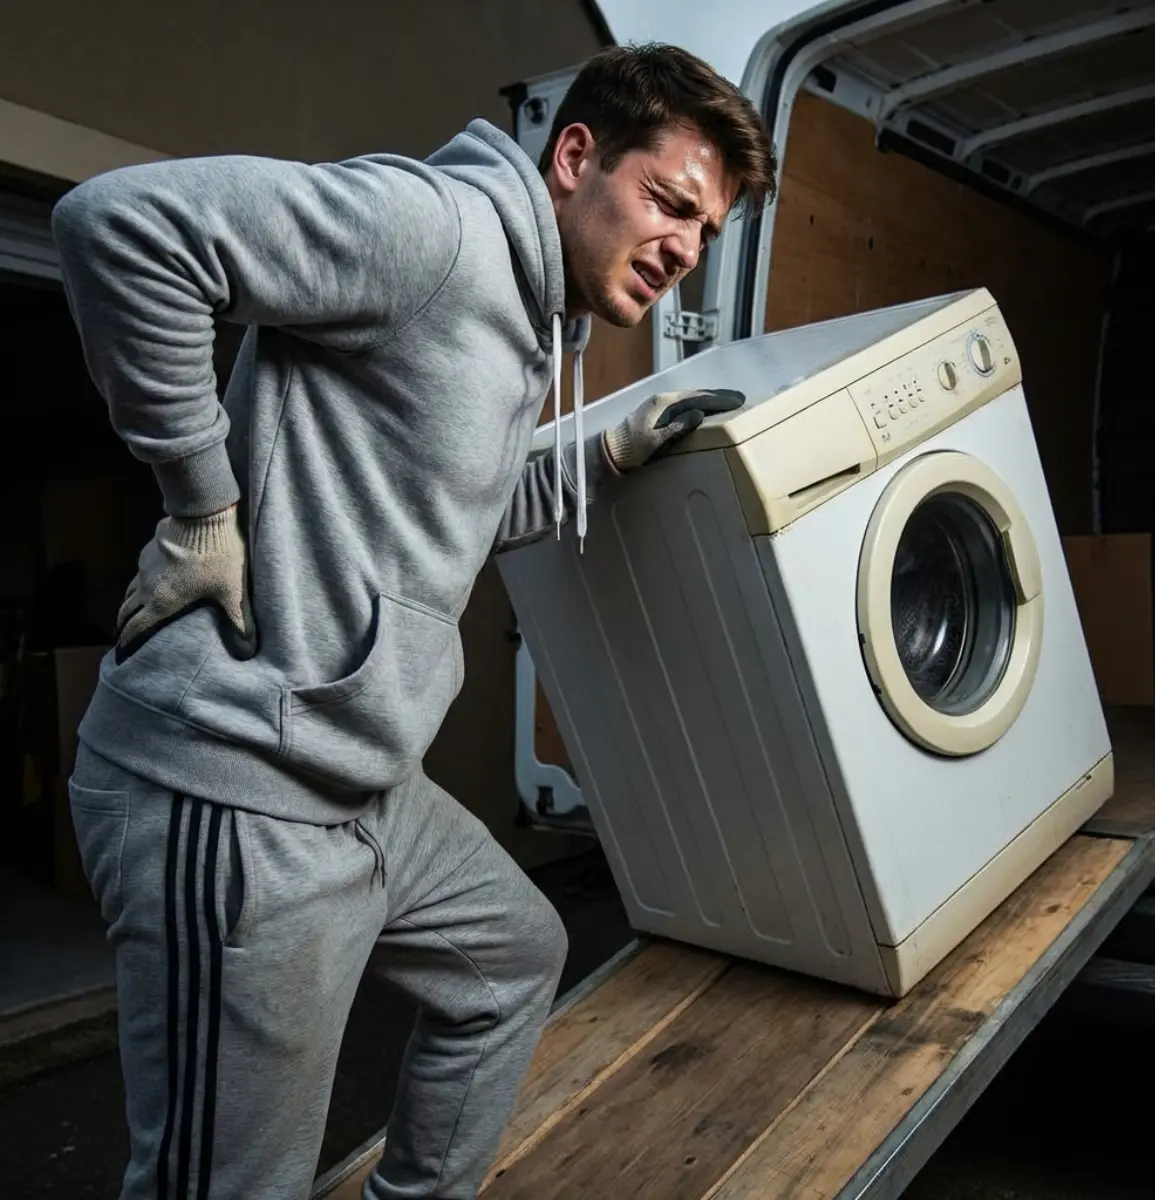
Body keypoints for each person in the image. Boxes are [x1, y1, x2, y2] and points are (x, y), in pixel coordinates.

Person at [52, 41, 777, 1200]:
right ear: (577, 157)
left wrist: (613, 449)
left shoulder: (536, 322)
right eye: (670, 204)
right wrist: (201, 500)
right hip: (234, 785)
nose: (685, 250)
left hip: (357, 779)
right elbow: (120, 227)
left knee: (514, 957)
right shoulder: (433, 231)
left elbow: (460, 511)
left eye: (704, 233)